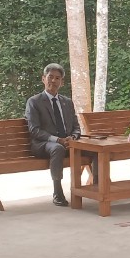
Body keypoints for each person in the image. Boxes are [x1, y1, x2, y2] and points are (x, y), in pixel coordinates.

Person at [25, 63, 84, 206]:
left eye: (57, 78)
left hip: (68, 143)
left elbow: (76, 128)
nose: (53, 81)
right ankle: (58, 192)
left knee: (96, 149)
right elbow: (34, 130)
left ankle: (98, 187)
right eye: (50, 77)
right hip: (44, 144)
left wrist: (73, 137)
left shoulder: (67, 102)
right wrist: (57, 140)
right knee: (58, 148)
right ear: (43, 79)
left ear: (62, 82)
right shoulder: (34, 102)